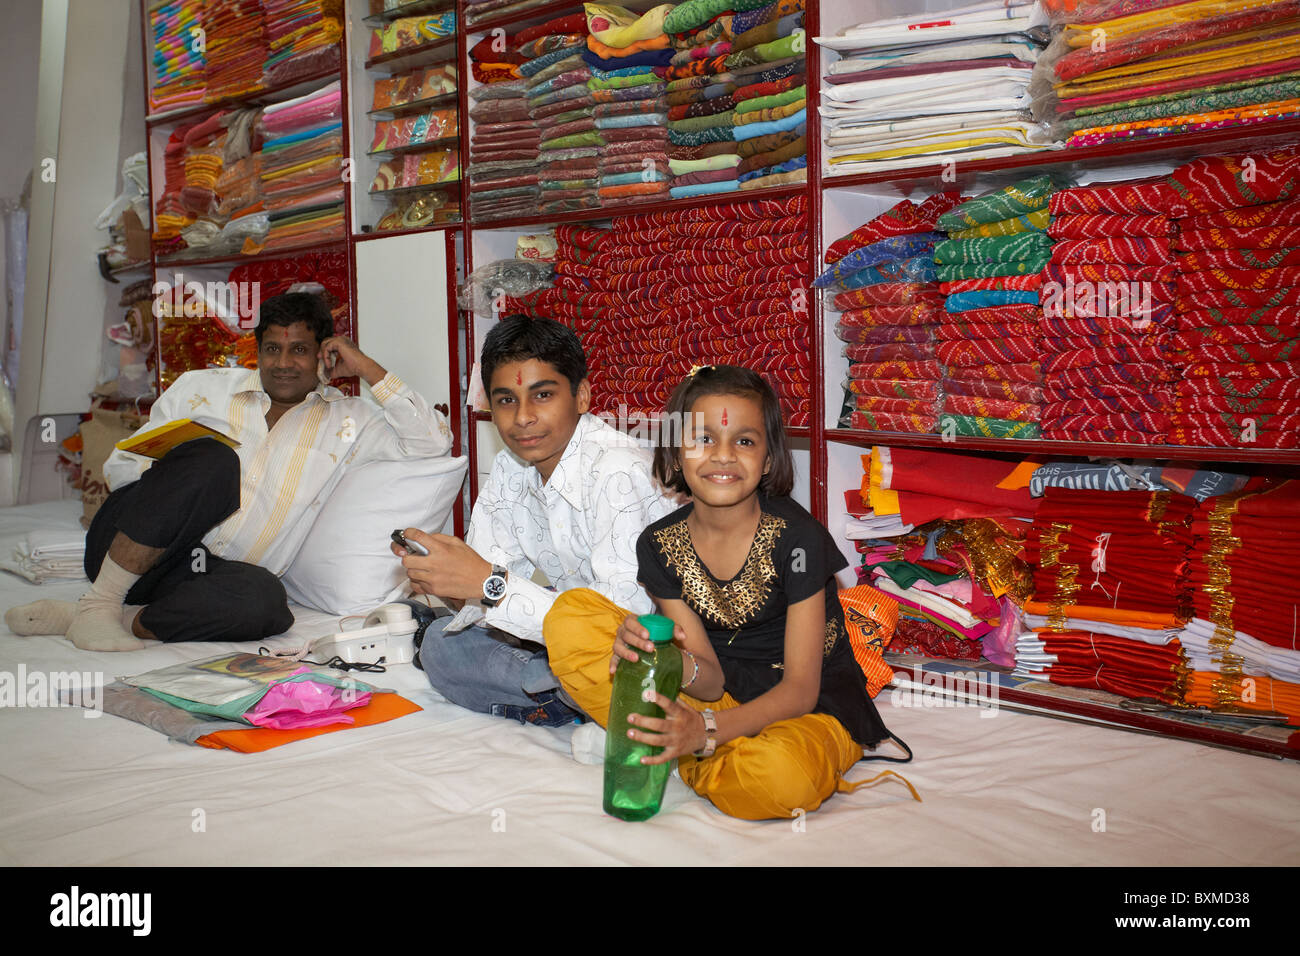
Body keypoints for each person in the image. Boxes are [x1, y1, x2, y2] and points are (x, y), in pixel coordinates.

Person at [544, 364, 917, 820]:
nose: (723, 455)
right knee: (569, 619)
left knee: (778, 778)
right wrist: (664, 659)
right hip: (718, 696)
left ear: (769, 459)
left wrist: (702, 732)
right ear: (676, 453)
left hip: (808, 708)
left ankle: (682, 753)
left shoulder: (798, 538)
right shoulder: (659, 545)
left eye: (744, 441)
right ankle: (686, 749)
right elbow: (710, 678)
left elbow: (800, 689)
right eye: (703, 439)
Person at [6, 291, 452, 650]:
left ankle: (107, 616)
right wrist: (177, 503)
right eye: (272, 349)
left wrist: (367, 368)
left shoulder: (352, 422)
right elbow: (124, 466)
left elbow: (432, 443)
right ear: (256, 351)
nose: (283, 363)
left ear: (324, 356)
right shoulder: (201, 388)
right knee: (214, 460)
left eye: (299, 350)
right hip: (128, 544)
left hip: (206, 580)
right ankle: (102, 596)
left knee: (268, 605)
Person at [393, 314, 677, 725]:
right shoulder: (511, 467)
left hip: (642, 654)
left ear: (581, 397)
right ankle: (566, 697)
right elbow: (488, 588)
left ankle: (570, 697)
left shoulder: (618, 471)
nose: (522, 417)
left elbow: (620, 628)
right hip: (569, 649)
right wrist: (447, 581)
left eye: (542, 395)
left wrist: (488, 586)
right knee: (441, 643)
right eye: (506, 399)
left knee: (611, 673)